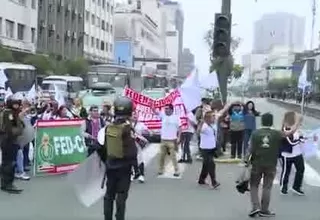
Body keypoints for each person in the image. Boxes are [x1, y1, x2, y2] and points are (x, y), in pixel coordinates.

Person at [246, 112, 301, 218]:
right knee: (267, 187)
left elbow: (250, 149)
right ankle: (264, 210)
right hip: (271, 164)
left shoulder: (255, 133)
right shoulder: (277, 133)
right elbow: (290, 132)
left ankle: (255, 206)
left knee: (254, 186)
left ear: (262, 121)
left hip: (257, 163)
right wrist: (297, 122)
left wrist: (245, 162)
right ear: (271, 122)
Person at [101, 96, 137, 220]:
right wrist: (136, 170)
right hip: (124, 168)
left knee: (108, 196)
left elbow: (103, 147)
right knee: (121, 197)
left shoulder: (108, 127)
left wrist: (107, 162)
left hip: (110, 167)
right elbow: (133, 152)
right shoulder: (128, 129)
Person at [197, 102, 230, 188]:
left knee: (206, 164)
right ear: (208, 118)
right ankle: (214, 181)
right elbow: (198, 131)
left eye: (214, 116)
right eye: (212, 116)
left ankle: (201, 179)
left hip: (212, 147)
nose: (214, 117)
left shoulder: (214, 123)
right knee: (211, 164)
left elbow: (221, 112)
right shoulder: (204, 126)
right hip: (205, 148)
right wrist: (201, 123)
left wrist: (227, 106)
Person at [0, 97, 25, 193]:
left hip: (9, 141)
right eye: (14, 104)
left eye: (17, 104)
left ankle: (6, 183)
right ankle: (7, 184)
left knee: (9, 163)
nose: (17, 106)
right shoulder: (8, 113)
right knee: (9, 163)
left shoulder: (12, 113)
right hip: (8, 140)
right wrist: (20, 129)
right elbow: (10, 130)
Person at [279, 111, 305, 195]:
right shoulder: (284, 128)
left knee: (301, 169)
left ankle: (296, 187)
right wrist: (299, 140)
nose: (296, 118)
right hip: (287, 155)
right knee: (286, 171)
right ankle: (283, 187)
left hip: (297, 153)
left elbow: (301, 138)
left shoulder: (297, 128)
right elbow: (291, 142)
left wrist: (303, 139)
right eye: (295, 117)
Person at [155, 104, 181, 177]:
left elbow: (180, 128)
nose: (166, 110)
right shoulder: (163, 115)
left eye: (167, 109)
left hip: (172, 140)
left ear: (171, 110)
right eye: (165, 109)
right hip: (163, 140)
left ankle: (176, 170)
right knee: (162, 156)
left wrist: (179, 137)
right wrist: (152, 106)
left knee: (173, 156)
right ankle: (161, 169)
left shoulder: (176, 118)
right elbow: (155, 112)